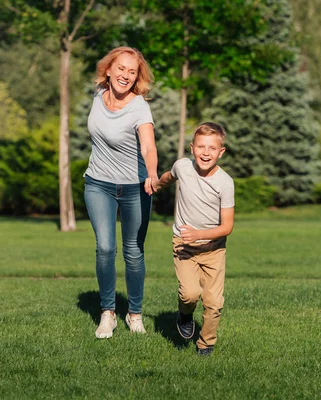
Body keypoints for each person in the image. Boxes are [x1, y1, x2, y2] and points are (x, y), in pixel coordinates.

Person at [83, 46, 158, 339]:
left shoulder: (139, 106)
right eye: (121, 69)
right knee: (104, 247)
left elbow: (149, 146)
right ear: (109, 69)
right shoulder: (97, 94)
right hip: (98, 182)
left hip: (134, 186)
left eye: (132, 71)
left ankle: (135, 314)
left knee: (133, 251)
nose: (125, 76)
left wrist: (151, 173)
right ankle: (108, 313)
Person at [155, 122, 235, 356]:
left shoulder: (225, 183)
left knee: (214, 303)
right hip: (184, 246)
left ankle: (206, 343)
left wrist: (200, 234)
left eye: (212, 148)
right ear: (192, 148)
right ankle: (185, 313)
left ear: (221, 152)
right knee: (189, 294)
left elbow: (227, 226)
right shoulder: (183, 166)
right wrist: (155, 185)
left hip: (213, 249)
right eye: (201, 146)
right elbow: (169, 177)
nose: (206, 153)